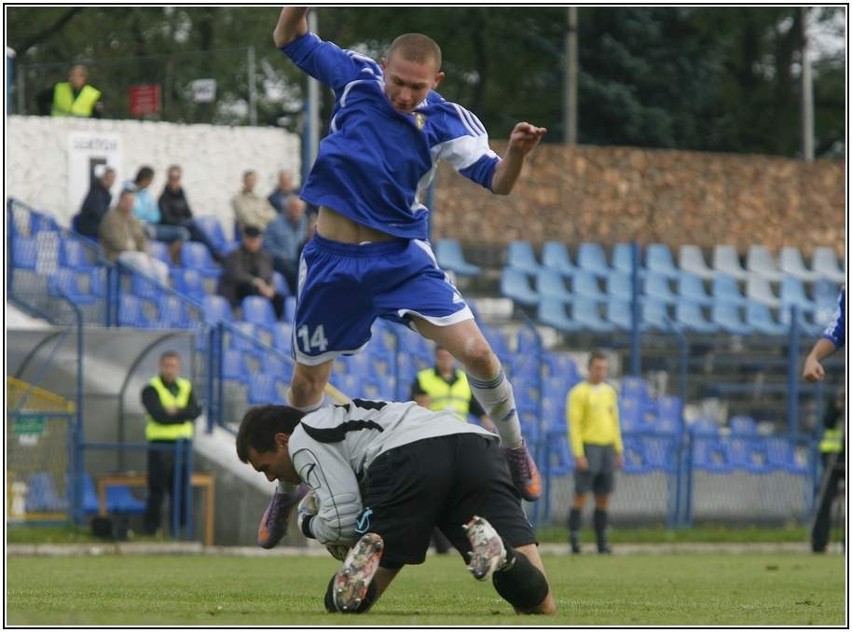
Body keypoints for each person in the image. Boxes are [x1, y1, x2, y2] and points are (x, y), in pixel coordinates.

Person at [266, 8, 544, 541]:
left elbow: (498, 183)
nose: (404, 95)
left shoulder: (448, 121)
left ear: (435, 82)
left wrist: (515, 155)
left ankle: (513, 449)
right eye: (397, 81)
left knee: (481, 354)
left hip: (399, 260)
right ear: (384, 68)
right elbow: (289, 36)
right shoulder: (355, 78)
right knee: (306, 383)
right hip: (330, 261)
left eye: (417, 87)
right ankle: (287, 489)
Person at [235, 399, 556, 615]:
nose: (272, 477)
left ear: (281, 440)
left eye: (266, 467)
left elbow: (340, 525)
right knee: (542, 606)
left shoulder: (301, 438)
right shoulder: (352, 418)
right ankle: (505, 555)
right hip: (476, 445)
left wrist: (306, 521)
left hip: (409, 460)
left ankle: (354, 582)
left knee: (342, 605)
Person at [411, 344, 497, 554]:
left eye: (448, 355)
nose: (445, 359)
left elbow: (475, 407)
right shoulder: (423, 379)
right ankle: (438, 541)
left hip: (460, 441)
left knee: (455, 490)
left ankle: (458, 538)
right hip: (433, 439)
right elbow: (416, 405)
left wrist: (489, 424)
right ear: (436, 357)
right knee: (435, 490)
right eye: (441, 355)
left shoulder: (464, 381)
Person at [565, 351, 623, 554]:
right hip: (589, 447)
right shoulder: (578, 393)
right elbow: (574, 425)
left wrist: (618, 449)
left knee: (603, 496)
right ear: (589, 369)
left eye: (604, 368)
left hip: (607, 447)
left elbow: (615, 422)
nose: (601, 372)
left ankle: (601, 542)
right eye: (597, 368)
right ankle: (574, 539)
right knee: (581, 494)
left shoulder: (609, 392)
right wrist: (578, 453)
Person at [802, 287, 846, 553]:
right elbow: (838, 328)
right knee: (827, 496)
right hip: (834, 451)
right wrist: (813, 356)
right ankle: (820, 544)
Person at [140, 351, 202, 536]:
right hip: (159, 445)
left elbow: (195, 411)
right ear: (161, 366)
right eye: (166, 365)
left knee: (181, 490)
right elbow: (158, 415)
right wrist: (182, 416)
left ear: (178, 368)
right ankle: (152, 531)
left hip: (182, 446)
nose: (169, 370)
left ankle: (179, 532)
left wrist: (174, 412)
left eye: (173, 366)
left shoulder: (185, 386)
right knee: (156, 490)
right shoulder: (151, 388)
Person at [98, 188, 170, 285]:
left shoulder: (133, 218)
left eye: (131, 201)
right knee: (141, 259)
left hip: (134, 254)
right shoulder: (111, 216)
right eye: (127, 200)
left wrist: (145, 251)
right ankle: (144, 293)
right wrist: (132, 248)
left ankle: (160, 298)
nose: (129, 204)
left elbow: (141, 239)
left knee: (162, 268)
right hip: (116, 255)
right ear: (120, 200)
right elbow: (115, 241)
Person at [157, 164, 225, 263]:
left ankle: (214, 255)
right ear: (168, 178)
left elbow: (188, 212)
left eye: (178, 177)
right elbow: (166, 219)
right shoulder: (163, 198)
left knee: (195, 226)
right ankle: (215, 254)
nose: (175, 180)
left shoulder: (181, 193)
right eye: (172, 177)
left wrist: (186, 221)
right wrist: (183, 221)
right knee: (192, 225)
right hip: (172, 227)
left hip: (185, 225)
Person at [218, 225, 285, 319]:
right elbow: (236, 275)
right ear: (245, 239)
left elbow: (269, 275)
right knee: (250, 289)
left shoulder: (265, 257)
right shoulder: (234, 255)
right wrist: (255, 281)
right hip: (238, 289)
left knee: (279, 298)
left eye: (257, 241)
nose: (255, 244)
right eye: (252, 241)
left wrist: (270, 287)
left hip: (260, 289)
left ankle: (274, 322)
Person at [129, 166, 189, 264]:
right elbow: (133, 214)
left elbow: (156, 216)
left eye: (178, 178)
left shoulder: (147, 194)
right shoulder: (129, 192)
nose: (151, 183)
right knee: (147, 234)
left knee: (183, 233)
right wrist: (146, 213)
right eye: (150, 180)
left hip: (153, 226)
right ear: (145, 179)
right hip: (140, 228)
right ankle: (160, 261)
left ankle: (169, 258)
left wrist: (145, 214)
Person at [262, 196, 310, 294]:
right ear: (287, 208)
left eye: (300, 209)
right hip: (280, 260)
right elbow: (267, 245)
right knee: (293, 272)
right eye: (294, 208)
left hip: (298, 259)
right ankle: (295, 297)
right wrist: (282, 254)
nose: (297, 211)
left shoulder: (304, 222)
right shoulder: (275, 223)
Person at [232, 170, 277, 236]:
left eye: (253, 180)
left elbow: (273, 214)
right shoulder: (238, 200)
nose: (251, 182)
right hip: (249, 234)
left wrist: (258, 215)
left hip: (265, 231)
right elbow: (249, 220)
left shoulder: (260, 198)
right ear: (243, 181)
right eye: (248, 180)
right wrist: (264, 218)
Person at [75, 166, 116, 239]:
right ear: (102, 178)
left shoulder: (105, 193)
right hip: (88, 227)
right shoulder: (96, 193)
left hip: (94, 225)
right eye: (107, 178)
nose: (110, 182)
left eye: (112, 179)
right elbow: (100, 214)